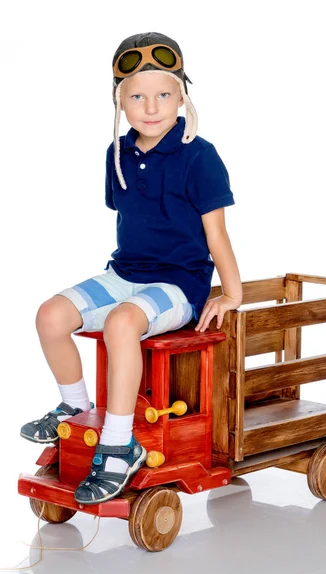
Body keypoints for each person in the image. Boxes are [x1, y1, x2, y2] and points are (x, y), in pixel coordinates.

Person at [20, 31, 242, 505]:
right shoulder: (117, 153)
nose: (151, 106)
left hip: (178, 283)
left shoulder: (199, 156)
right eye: (137, 96)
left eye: (164, 93)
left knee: (124, 323)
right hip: (126, 273)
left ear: (182, 95)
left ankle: (120, 444)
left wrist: (231, 292)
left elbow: (216, 234)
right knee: (50, 315)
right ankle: (75, 407)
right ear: (119, 102)